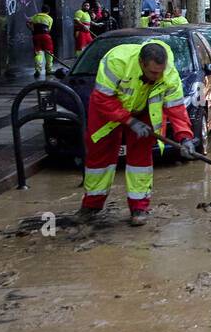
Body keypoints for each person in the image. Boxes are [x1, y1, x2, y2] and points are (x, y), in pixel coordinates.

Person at [79, 39, 195, 227]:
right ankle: (91, 205)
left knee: (141, 160)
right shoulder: (117, 61)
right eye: (153, 72)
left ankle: (139, 207)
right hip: (108, 111)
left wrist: (185, 137)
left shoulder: (169, 74)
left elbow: (176, 108)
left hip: (144, 111)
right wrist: (129, 121)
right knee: (99, 158)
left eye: (160, 72)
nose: (158, 76)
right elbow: (101, 98)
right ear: (141, 63)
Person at [27, 3, 54, 79]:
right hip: (46, 36)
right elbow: (49, 29)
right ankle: (49, 70)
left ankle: (38, 70)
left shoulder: (35, 16)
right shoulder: (49, 18)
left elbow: (27, 22)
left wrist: (31, 28)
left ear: (41, 10)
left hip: (36, 36)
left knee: (38, 52)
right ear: (48, 11)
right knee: (49, 53)